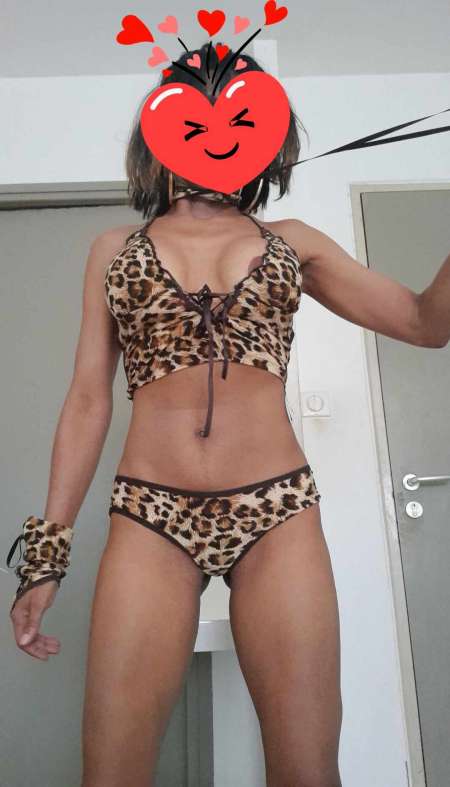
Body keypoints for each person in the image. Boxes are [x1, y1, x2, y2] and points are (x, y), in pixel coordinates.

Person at [9, 41, 443, 787]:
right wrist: (46, 556)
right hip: (149, 514)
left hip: (277, 511)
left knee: (308, 771)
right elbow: (86, 399)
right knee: (110, 773)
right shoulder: (113, 248)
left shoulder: (291, 243)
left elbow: (424, 322)